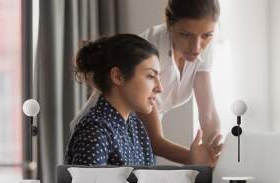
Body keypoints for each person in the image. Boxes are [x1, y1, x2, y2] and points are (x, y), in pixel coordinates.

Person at [70, 0, 222, 167]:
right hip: (106, 130)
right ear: (169, 26)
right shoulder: (96, 132)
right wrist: (197, 160)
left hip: (127, 127)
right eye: (150, 76)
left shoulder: (138, 131)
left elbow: (207, 115)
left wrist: (215, 155)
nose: (196, 47)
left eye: (206, 35)